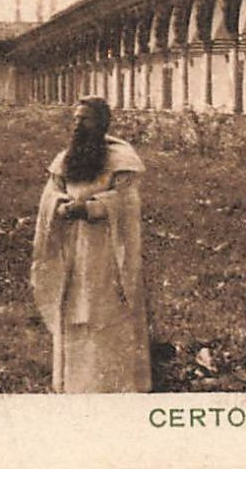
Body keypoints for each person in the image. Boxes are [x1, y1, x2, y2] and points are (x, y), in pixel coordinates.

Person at [29, 96, 151, 393]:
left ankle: (112, 384)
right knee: (72, 308)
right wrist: (61, 206)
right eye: (75, 118)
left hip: (106, 251)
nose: (77, 124)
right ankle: (75, 383)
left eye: (85, 119)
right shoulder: (66, 159)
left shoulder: (121, 159)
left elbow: (126, 202)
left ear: (101, 123)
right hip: (72, 247)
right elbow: (51, 194)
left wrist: (92, 208)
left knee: (104, 311)